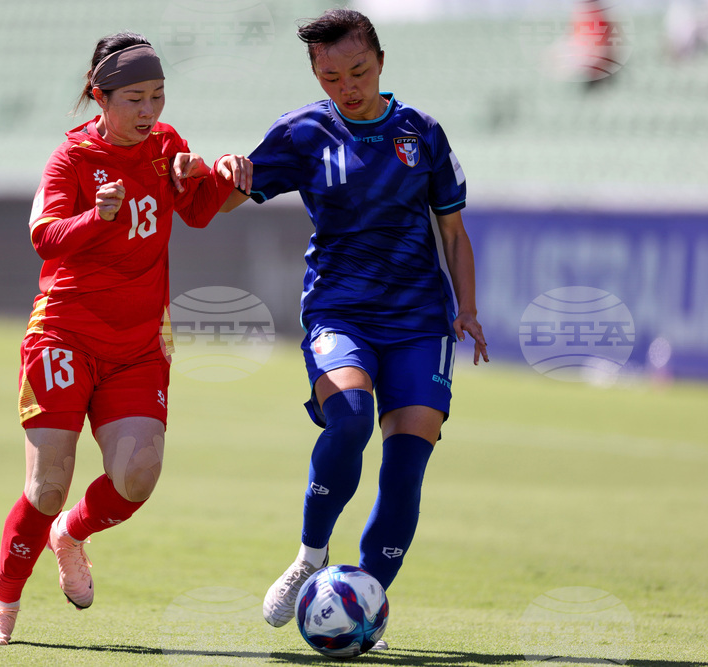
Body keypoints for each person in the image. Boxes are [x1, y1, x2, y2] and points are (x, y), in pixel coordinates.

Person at [0, 32, 251, 646]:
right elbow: (44, 238)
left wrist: (230, 176)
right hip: (64, 334)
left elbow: (202, 210)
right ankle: (3, 607)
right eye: (134, 98)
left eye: (157, 95)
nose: (149, 111)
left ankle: (70, 535)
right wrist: (96, 216)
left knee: (137, 479)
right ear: (101, 97)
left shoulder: (166, 144)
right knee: (47, 485)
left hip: (138, 343)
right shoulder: (70, 161)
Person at [220, 8, 488, 646]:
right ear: (316, 73)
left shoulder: (422, 132)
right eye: (332, 75)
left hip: (419, 319)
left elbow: (452, 229)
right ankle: (311, 558)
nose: (349, 85)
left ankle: (362, 601)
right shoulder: (302, 133)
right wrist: (225, 172)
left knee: (405, 466)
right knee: (348, 420)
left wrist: (467, 308)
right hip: (340, 311)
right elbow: (226, 200)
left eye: (359, 70)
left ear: (381, 62)